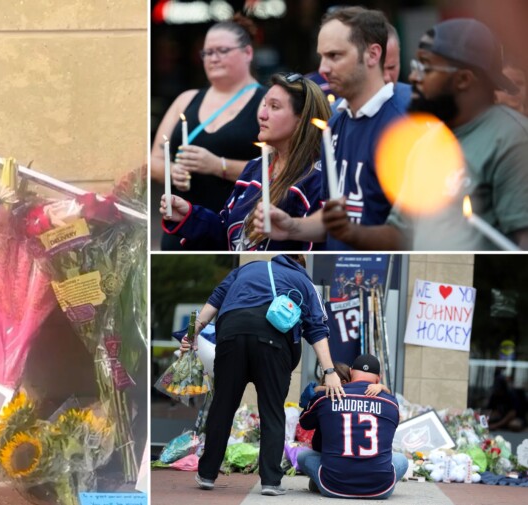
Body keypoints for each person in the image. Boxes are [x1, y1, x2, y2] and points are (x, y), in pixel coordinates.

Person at [320, 18, 528, 250]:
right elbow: (399, 233)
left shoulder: (512, 139)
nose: (413, 77)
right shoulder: (428, 142)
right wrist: (350, 232)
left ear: (463, 80)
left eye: (426, 68)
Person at [181, 255, 345, 496]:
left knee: (222, 406)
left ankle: (206, 474)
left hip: (231, 335)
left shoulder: (244, 270)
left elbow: (213, 303)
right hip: (273, 342)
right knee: (272, 411)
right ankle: (270, 481)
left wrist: (191, 334)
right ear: (301, 265)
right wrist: (330, 371)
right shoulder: (302, 280)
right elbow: (317, 327)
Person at [252, 7, 408, 250]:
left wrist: (351, 234)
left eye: (335, 56)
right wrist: (293, 226)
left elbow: (411, 236)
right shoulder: (334, 125)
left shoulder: (406, 127)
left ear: (373, 54)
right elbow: (330, 218)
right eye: (322, 56)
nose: (323, 68)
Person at [159, 72, 330, 250]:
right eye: (264, 105)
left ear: (301, 120)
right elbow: (226, 235)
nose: (262, 115)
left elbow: (313, 252)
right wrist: (190, 216)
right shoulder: (254, 167)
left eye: (274, 107)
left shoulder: (317, 180)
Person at [150, 14, 267, 250]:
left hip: (237, 229)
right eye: (207, 53)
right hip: (182, 226)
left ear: (248, 53)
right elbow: (153, 160)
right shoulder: (187, 99)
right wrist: (172, 171)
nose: (213, 58)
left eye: (222, 50)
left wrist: (218, 165)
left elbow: (278, 168)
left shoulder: (266, 101)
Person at [298, 354, 408, 499]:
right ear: (379, 378)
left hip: (332, 486)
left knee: (303, 456)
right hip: (380, 489)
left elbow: (304, 423)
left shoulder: (327, 396)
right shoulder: (391, 403)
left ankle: (318, 480)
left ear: (350, 372)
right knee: (401, 460)